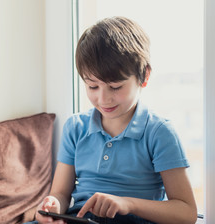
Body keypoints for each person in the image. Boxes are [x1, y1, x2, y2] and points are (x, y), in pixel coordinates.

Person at [33, 17, 197, 224]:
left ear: (144, 76)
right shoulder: (76, 127)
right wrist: (52, 206)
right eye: (92, 87)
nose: (103, 99)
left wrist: (127, 203)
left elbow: (186, 212)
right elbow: (61, 194)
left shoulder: (159, 132)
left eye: (116, 87)